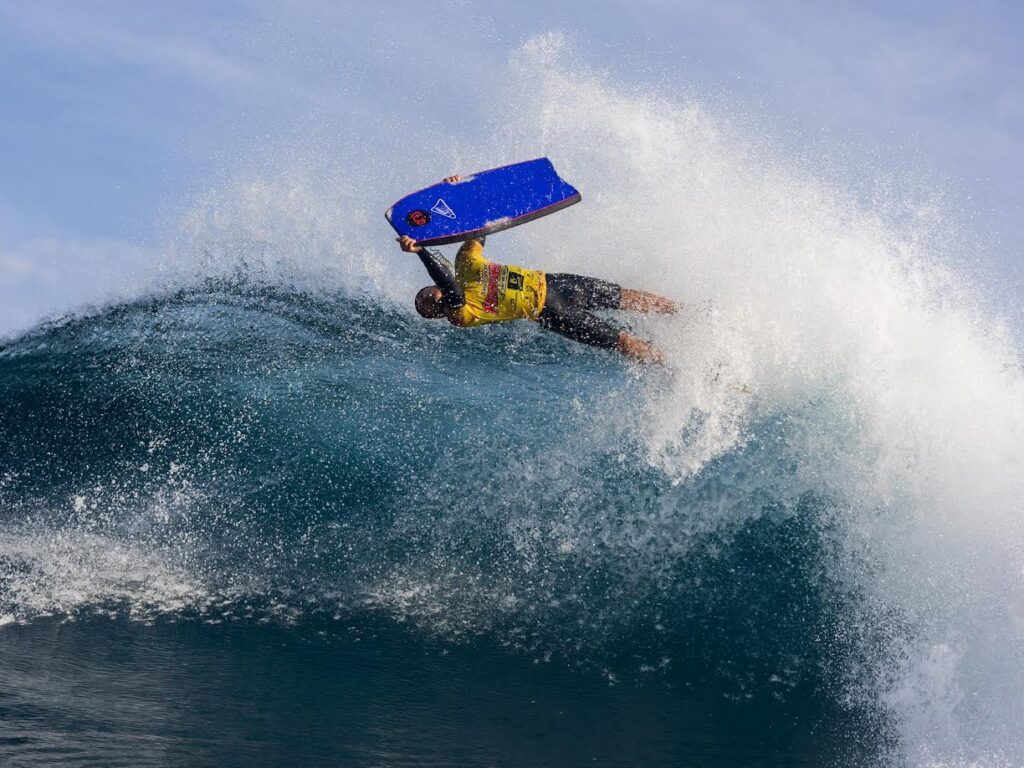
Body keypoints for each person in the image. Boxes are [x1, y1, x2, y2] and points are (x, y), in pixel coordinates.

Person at [398, 176, 677, 364]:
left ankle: (685, 310)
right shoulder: (461, 314)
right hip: (553, 314)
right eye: (429, 307)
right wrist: (420, 252)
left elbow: (480, 224)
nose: (431, 300)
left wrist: (456, 193)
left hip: (556, 283)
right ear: (438, 315)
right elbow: (449, 286)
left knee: (626, 297)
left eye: (426, 296)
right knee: (623, 341)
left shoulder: (467, 265)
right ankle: (675, 367)